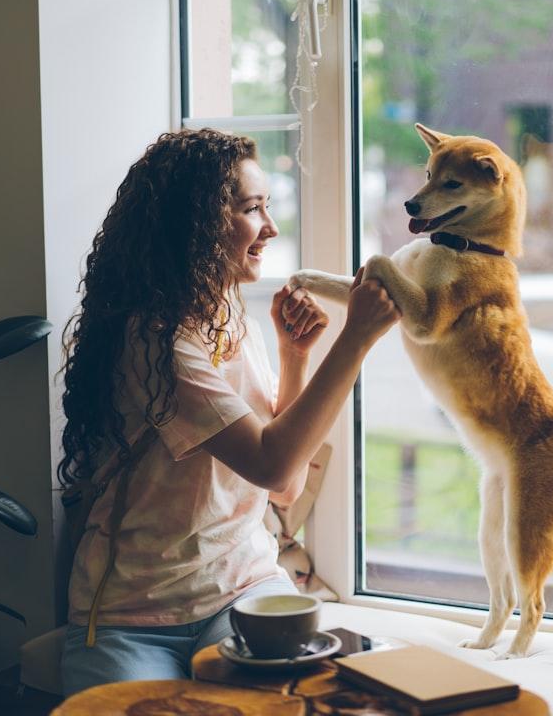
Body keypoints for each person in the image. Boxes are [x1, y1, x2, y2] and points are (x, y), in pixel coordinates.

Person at [57, 128, 400, 695]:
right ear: (194, 224)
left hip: (241, 588)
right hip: (128, 618)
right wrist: (356, 338)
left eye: (268, 207)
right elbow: (273, 466)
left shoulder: (229, 320)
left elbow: (283, 490)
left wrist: (295, 358)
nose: (270, 227)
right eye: (252, 209)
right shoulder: (154, 340)